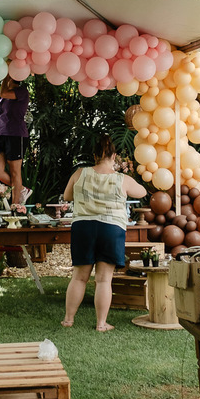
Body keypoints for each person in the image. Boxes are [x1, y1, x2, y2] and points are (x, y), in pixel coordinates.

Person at [61, 137, 147, 331]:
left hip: (83, 227)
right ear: (114, 156)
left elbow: (67, 196)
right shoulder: (121, 179)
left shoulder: (80, 173)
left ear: (94, 156)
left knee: (79, 277)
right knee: (103, 279)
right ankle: (101, 323)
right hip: (111, 228)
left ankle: (68, 319)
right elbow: (141, 192)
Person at [0, 76, 31, 208]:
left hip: (16, 135)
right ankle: (21, 189)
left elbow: (5, 92)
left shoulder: (21, 91)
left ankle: (15, 206)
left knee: (15, 171)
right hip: (1, 134)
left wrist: (5, 76)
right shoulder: (1, 95)